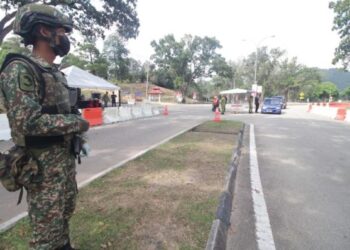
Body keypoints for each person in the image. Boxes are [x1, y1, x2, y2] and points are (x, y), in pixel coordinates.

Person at [0, 3, 89, 249]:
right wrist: (76, 122)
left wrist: (75, 129)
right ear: (43, 31)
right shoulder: (20, 68)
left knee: (63, 220)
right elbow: (27, 121)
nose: (65, 38)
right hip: (41, 170)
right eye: (62, 32)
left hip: (62, 164)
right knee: (46, 236)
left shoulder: (54, 72)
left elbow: (59, 111)